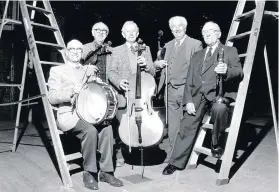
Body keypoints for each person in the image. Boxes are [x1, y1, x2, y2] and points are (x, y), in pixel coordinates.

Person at [162, 21, 244, 175]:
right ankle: (175, 162)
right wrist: (188, 101)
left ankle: (215, 143)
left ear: (219, 34)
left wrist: (227, 70)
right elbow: (189, 80)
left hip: (218, 94)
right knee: (186, 125)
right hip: (198, 96)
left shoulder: (229, 51)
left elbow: (239, 72)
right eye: (204, 32)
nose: (206, 34)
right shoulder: (197, 55)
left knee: (219, 109)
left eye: (211, 31)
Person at [48, 39, 123, 190]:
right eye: (71, 49)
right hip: (69, 114)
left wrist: (96, 84)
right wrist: (70, 92)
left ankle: (106, 171)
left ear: (81, 52)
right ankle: (89, 172)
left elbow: (93, 91)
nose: (75, 52)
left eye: (78, 49)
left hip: (88, 112)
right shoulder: (57, 70)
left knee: (107, 128)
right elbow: (52, 96)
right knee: (90, 130)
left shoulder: (87, 70)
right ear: (66, 52)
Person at [155, 16, 203, 160]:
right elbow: (158, 62)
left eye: (180, 25)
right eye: (173, 27)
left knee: (187, 124)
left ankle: (185, 157)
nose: (177, 28)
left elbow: (198, 71)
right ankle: (172, 155)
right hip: (169, 90)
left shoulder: (196, 44)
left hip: (186, 90)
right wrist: (157, 64)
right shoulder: (168, 45)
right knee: (173, 125)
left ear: (185, 27)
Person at [108, 20, 155, 152]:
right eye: (127, 31)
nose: (131, 33)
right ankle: (123, 151)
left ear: (138, 33)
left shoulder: (146, 49)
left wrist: (146, 64)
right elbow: (111, 72)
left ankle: (143, 146)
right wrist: (119, 82)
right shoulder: (116, 50)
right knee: (124, 126)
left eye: (133, 31)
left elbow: (152, 72)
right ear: (123, 34)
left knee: (144, 122)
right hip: (125, 95)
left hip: (143, 94)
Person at [82, 22, 124, 167]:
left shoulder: (113, 50)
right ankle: (92, 157)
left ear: (107, 34)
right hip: (92, 93)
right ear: (92, 32)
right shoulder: (84, 48)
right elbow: (75, 66)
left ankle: (116, 153)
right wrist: (86, 68)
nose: (101, 33)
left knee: (114, 124)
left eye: (104, 31)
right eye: (97, 30)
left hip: (110, 91)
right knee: (92, 123)